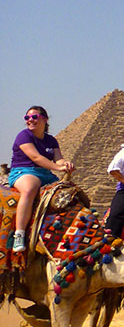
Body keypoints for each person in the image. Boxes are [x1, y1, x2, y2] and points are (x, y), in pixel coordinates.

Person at [8, 106, 74, 253]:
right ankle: (19, 233)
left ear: (45, 119)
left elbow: (59, 160)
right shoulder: (23, 136)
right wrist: (58, 168)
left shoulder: (51, 140)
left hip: (46, 174)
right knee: (30, 189)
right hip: (23, 171)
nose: (30, 120)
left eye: (34, 117)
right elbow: (36, 157)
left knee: (70, 193)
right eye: (27, 118)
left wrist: (66, 164)